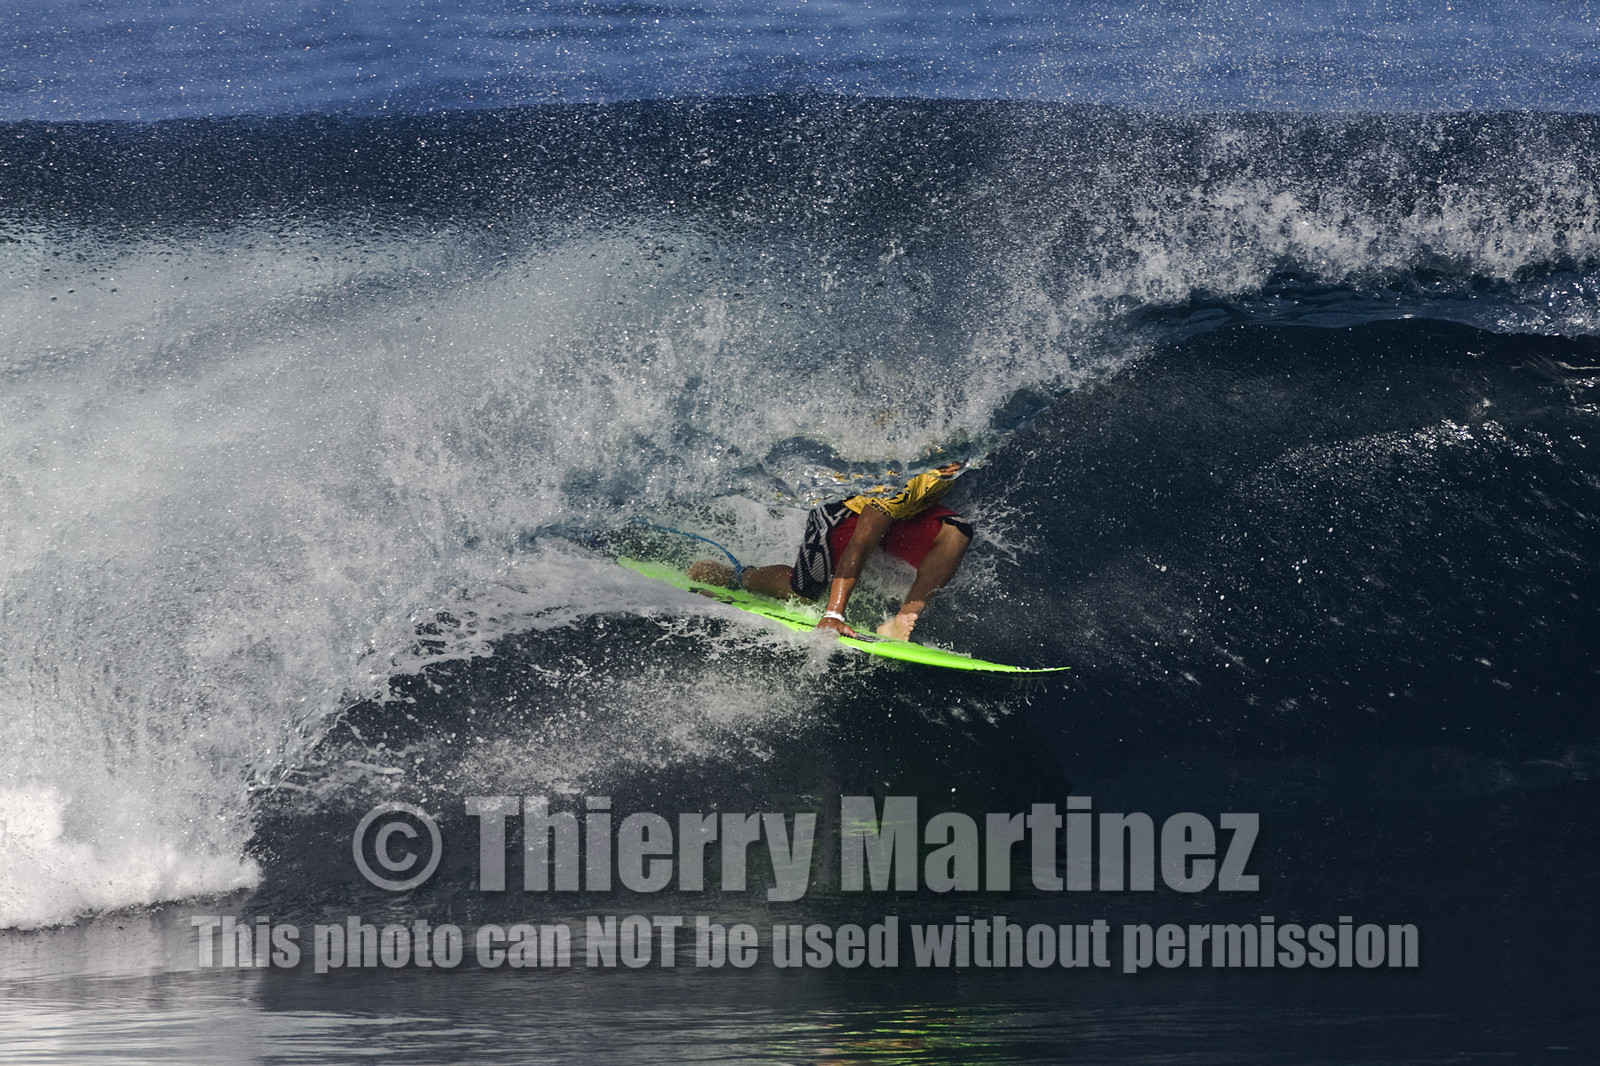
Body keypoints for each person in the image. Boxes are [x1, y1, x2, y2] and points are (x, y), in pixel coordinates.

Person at [687, 461, 973, 641]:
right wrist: (833, 616)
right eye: (948, 461)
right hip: (844, 513)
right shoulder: (900, 485)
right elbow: (860, 545)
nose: (954, 465)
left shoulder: (957, 456)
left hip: (901, 517)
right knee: (802, 592)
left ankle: (900, 620)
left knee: (956, 531)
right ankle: (734, 577)